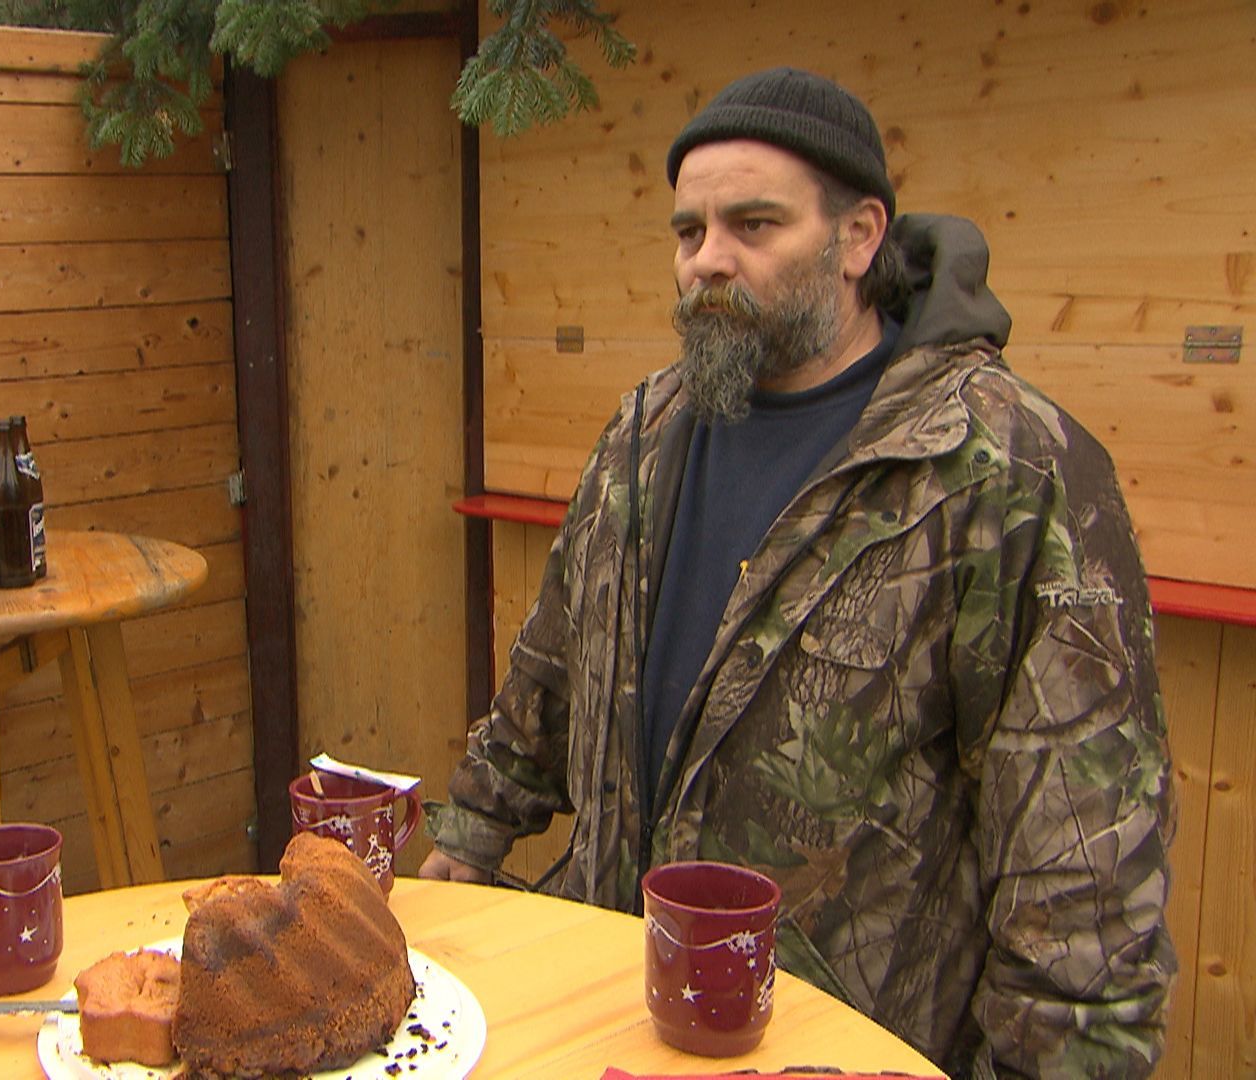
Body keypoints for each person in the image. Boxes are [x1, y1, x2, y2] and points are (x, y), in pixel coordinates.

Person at [420, 68, 1174, 1077]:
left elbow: (1082, 878)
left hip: (849, 1048)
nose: (708, 263)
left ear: (860, 237)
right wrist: (468, 833)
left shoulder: (1002, 469)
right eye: (689, 233)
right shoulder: (645, 435)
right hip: (610, 1023)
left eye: (754, 226)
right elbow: (553, 672)